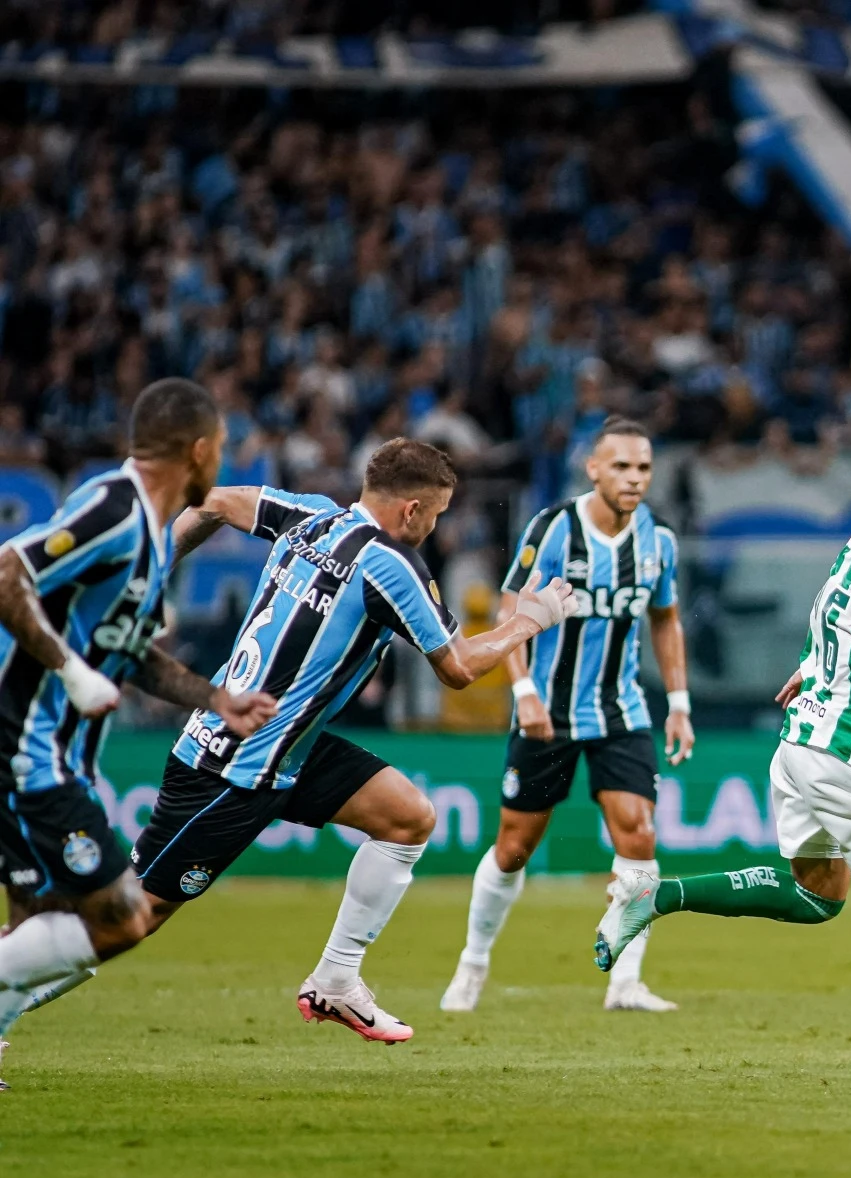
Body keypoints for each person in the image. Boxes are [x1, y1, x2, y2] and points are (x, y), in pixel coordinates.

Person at [593, 417, 851, 1074]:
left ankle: (655, 896)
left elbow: (840, 601)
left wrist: (815, 664)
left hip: (802, 740)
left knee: (818, 895)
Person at [123, 440, 572, 1044]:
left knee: (407, 817)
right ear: (412, 511)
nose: (434, 528)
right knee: (129, 917)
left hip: (288, 749)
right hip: (232, 765)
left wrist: (151, 574)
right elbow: (459, 666)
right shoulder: (391, 564)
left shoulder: (310, 515)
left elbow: (215, 502)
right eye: (435, 515)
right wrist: (531, 619)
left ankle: (336, 980)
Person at [0, 379, 278, 1087]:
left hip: (55, 754)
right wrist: (66, 667)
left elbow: (133, 653)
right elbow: (8, 571)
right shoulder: (114, 507)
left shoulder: (153, 538)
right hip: (28, 750)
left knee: (43, 915)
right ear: (200, 449)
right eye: (222, 450)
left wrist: (218, 698)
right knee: (121, 919)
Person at [439, 419, 695, 1015]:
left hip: (620, 711)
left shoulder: (659, 542)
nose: (634, 479)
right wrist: (522, 689)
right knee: (514, 848)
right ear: (594, 469)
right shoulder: (553, 529)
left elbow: (665, 618)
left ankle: (626, 982)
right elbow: (512, 608)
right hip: (547, 713)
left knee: (639, 833)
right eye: (622, 467)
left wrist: (678, 705)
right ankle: (473, 964)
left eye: (644, 468)